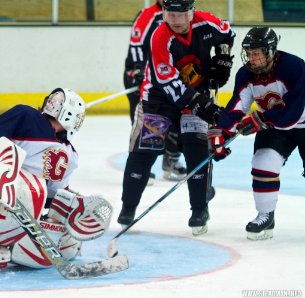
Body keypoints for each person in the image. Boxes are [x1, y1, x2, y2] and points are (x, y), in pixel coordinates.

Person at [118, 0, 235, 236]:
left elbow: (227, 33)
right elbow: (169, 83)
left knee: (197, 149)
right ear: (163, 13)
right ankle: (128, 208)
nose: (177, 21)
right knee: (144, 151)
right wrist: (204, 106)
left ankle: (200, 209)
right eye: (171, 15)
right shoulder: (160, 37)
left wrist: (222, 60)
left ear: (191, 12)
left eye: (182, 15)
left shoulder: (207, 21)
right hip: (158, 99)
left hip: (195, 91)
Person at [0, 88, 114, 271]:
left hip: (20, 194)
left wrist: (69, 210)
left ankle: (12, 247)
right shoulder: (27, 116)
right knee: (31, 189)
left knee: (61, 222)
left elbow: (53, 195)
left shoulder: (69, 154)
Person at [208, 27, 305, 240]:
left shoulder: (294, 67)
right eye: (249, 54)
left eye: (257, 53)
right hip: (275, 128)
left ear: (271, 51)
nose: (252, 59)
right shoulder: (246, 75)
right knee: (263, 163)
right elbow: (237, 105)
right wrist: (222, 131)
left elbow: (293, 111)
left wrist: (260, 120)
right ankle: (266, 216)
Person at [123, 0, 187, 182]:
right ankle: (141, 167)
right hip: (143, 76)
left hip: (168, 76)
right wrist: (136, 70)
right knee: (147, 123)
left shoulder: (183, 14)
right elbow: (136, 44)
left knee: (176, 118)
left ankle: (171, 161)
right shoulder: (148, 14)